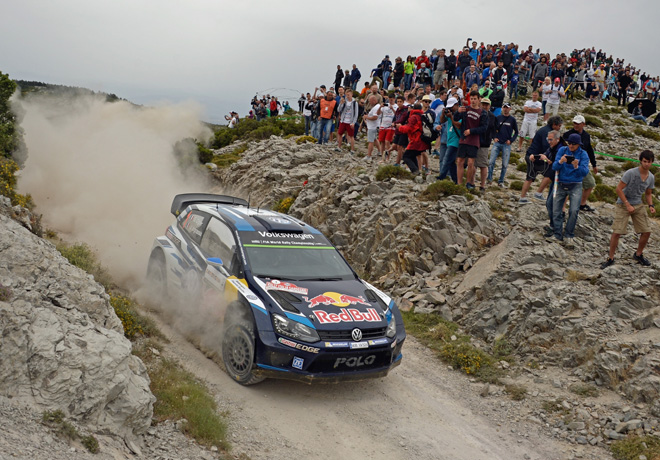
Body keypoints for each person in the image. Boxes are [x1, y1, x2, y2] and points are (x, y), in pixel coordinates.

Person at [600, 150, 656, 268]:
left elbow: (648, 193)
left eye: (649, 162)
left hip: (638, 204)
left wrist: (651, 205)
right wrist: (627, 204)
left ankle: (638, 254)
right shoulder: (630, 173)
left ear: (652, 162)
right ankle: (610, 258)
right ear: (641, 161)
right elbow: (618, 189)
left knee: (647, 231)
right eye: (645, 161)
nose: (647, 164)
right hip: (623, 204)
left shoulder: (651, 177)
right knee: (617, 232)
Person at [550, 133, 590, 246]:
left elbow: (585, 172)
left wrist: (576, 166)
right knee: (556, 210)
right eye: (569, 143)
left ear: (578, 144)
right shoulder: (562, 150)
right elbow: (554, 167)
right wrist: (560, 161)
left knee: (573, 211)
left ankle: (569, 235)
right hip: (561, 183)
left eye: (574, 144)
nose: (571, 146)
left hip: (576, 185)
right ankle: (557, 234)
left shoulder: (583, 154)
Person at [563, 115, 598, 212]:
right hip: (569, 164)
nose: (576, 125)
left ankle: (582, 204)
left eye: (578, 123)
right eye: (574, 123)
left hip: (582, 165)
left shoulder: (586, 136)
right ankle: (562, 208)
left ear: (583, 124)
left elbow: (589, 150)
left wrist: (594, 164)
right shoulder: (567, 135)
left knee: (590, 183)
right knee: (567, 186)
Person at [456, 90, 487, 188]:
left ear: (479, 100)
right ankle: (459, 183)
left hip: (474, 140)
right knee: (460, 161)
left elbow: (484, 128)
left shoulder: (483, 113)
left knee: (470, 163)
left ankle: (468, 183)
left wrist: (471, 131)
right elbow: (455, 118)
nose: (473, 101)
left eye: (475, 99)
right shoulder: (465, 109)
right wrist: (458, 112)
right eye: (471, 99)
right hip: (464, 139)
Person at [487, 103, 518, 186]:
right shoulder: (498, 118)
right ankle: (489, 179)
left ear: (510, 109)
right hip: (497, 143)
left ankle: (501, 181)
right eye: (504, 107)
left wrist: (511, 140)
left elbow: (516, 132)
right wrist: (494, 137)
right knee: (491, 162)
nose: (505, 109)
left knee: (504, 164)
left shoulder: (512, 120)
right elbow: (493, 129)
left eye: (507, 108)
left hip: (506, 145)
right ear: (502, 108)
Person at [395, 102, 428, 176]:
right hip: (423, 140)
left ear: (413, 109)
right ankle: (417, 172)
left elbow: (408, 128)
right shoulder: (422, 116)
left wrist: (400, 127)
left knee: (406, 156)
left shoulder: (414, 117)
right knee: (412, 155)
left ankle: (415, 171)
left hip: (416, 140)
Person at [437, 97, 460, 182]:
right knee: (451, 162)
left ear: (456, 105)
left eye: (451, 107)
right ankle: (456, 180)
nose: (450, 109)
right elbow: (442, 121)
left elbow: (458, 125)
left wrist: (451, 117)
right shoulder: (450, 113)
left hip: (456, 140)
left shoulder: (460, 114)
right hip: (449, 140)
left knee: (446, 159)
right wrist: (443, 114)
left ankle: (442, 176)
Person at [477, 97, 497, 191]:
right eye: (483, 104)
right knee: (472, 164)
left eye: (486, 105)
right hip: (475, 141)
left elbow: (492, 129)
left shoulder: (492, 116)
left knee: (483, 164)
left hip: (484, 142)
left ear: (490, 106)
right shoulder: (477, 113)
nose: (484, 106)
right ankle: (471, 182)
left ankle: (482, 185)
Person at [337, 89, 358, 154]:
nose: (347, 96)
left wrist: (353, 122)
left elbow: (356, 114)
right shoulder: (344, 101)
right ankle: (339, 147)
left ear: (352, 95)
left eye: (348, 95)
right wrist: (341, 104)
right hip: (343, 121)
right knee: (340, 133)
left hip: (350, 122)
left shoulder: (355, 103)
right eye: (346, 95)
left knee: (351, 136)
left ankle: (352, 150)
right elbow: (338, 110)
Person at [363, 95, 381, 160]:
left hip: (372, 127)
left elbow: (375, 117)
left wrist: (367, 117)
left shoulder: (376, 107)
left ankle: (369, 155)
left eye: (370, 101)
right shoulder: (377, 107)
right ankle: (380, 151)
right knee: (375, 139)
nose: (369, 102)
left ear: (374, 100)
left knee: (370, 141)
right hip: (374, 126)